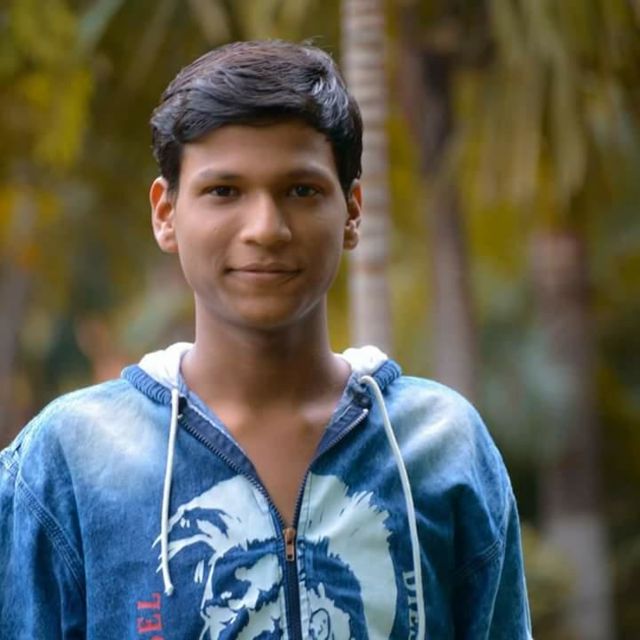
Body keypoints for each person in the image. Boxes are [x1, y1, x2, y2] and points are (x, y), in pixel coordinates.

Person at [0, 40, 532, 639]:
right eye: (224, 191)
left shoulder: (439, 446)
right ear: (166, 213)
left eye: (301, 190)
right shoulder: (72, 459)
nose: (266, 229)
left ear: (352, 210)